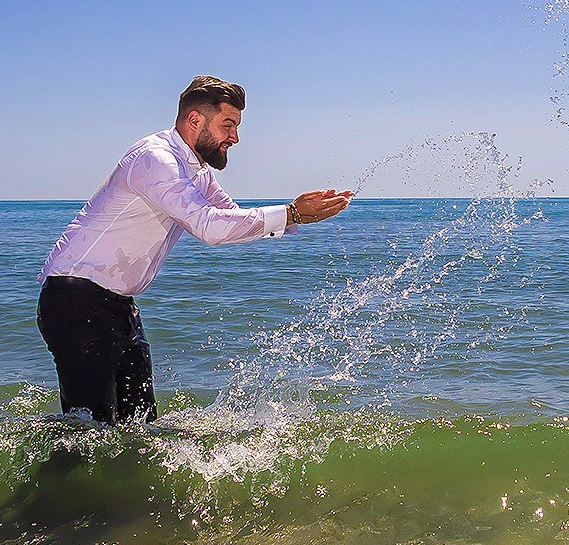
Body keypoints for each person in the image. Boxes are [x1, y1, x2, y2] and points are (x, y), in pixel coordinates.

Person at [36, 76, 353, 424]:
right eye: (227, 125)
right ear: (195, 120)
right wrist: (291, 212)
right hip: (76, 298)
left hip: (116, 305)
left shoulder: (197, 171)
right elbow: (209, 227)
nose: (235, 137)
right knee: (88, 430)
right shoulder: (156, 159)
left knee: (139, 424)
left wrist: (300, 216)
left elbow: (230, 217)